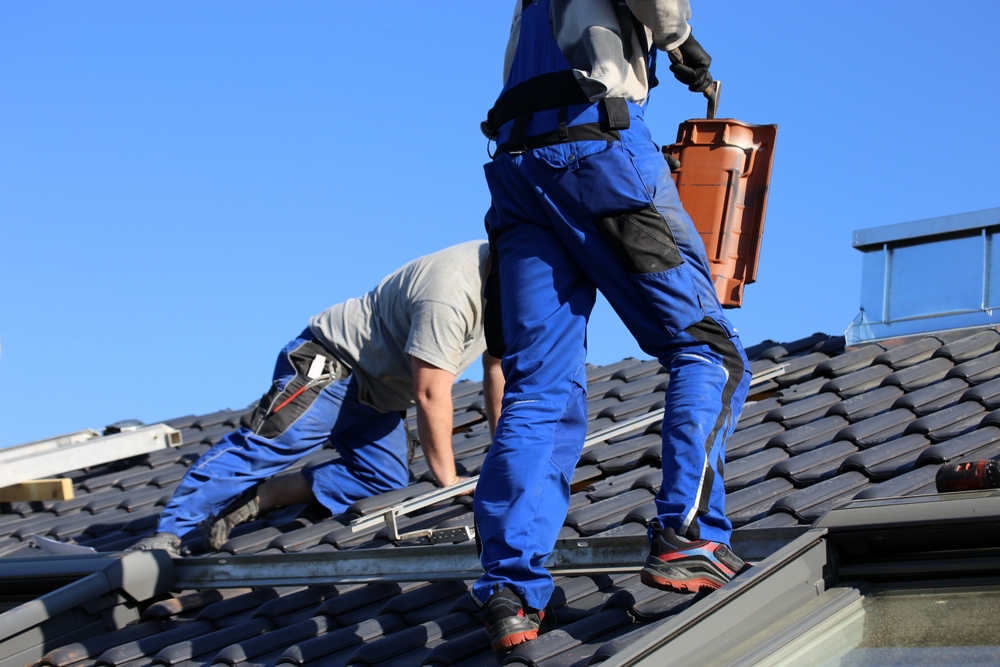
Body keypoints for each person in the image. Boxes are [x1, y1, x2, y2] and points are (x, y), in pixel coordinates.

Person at [472, 0, 752, 652]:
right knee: (706, 350)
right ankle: (688, 534)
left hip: (517, 168)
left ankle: (510, 589)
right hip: (594, 152)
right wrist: (682, 42)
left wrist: (676, 51)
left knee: (539, 386)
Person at [131, 240, 502, 557]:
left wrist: (505, 451)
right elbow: (430, 392)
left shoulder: (510, 291)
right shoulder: (453, 292)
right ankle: (168, 534)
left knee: (384, 481)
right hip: (334, 364)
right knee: (272, 443)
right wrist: (449, 478)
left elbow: (497, 372)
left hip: (381, 396)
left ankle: (259, 498)